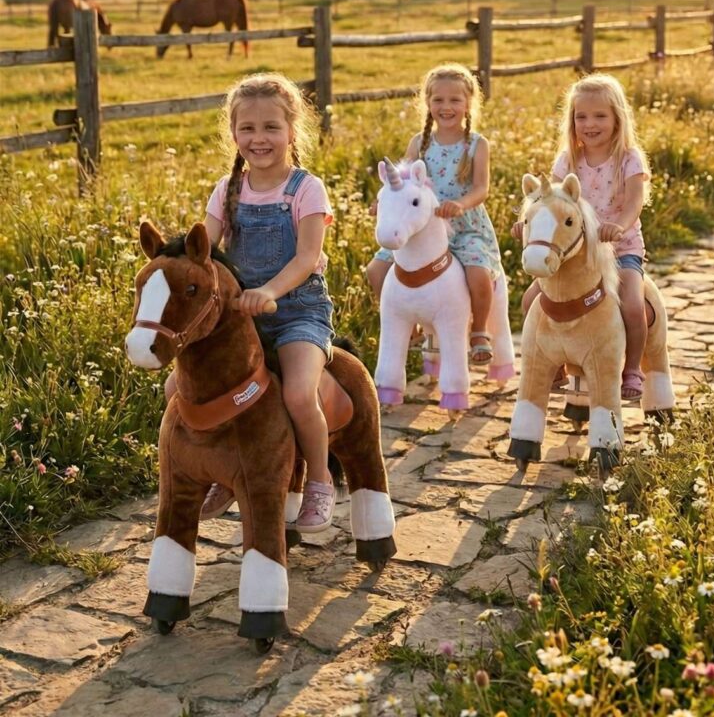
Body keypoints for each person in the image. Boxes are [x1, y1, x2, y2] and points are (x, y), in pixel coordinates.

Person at [170, 72, 336, 530]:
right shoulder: (226, 191)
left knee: (300, 394)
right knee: (176, 390)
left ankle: (320, 480)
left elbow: (306, 258)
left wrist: (268, 292)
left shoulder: (306, 189)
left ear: (290, 132)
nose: (258, 139)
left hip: (297, 310)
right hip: (240, 321)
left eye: (270, 128)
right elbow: (207, 252)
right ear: (234, 133)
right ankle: (220, 471)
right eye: (248, 129)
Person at [515, 74, 651, 400]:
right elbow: (548, 201)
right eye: (581, 116)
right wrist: (527, 222)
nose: (590, 124)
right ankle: (554, 364)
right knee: (530, 301)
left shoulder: (629, 158)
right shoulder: (568, 160)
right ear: (572, 121)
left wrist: (617, 225)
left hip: (619, 249)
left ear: (617, 118)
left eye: (600, 116)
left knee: (633, 305)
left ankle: (631, 368)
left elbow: (634, 202)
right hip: (573, 254)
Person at [366, 62, 503, 364]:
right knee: (375, 270)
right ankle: (409, 322)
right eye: (438, 100)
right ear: (427, 103)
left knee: (478, 273)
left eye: (455, 100)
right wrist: (385, 203)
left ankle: (478, 330)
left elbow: (482, 188)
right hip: (419, 229)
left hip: (463, 225)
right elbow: (399, 183)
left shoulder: (477, 145)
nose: (446, 106)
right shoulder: (420, 143)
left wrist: (461, 204)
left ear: (468, 104)